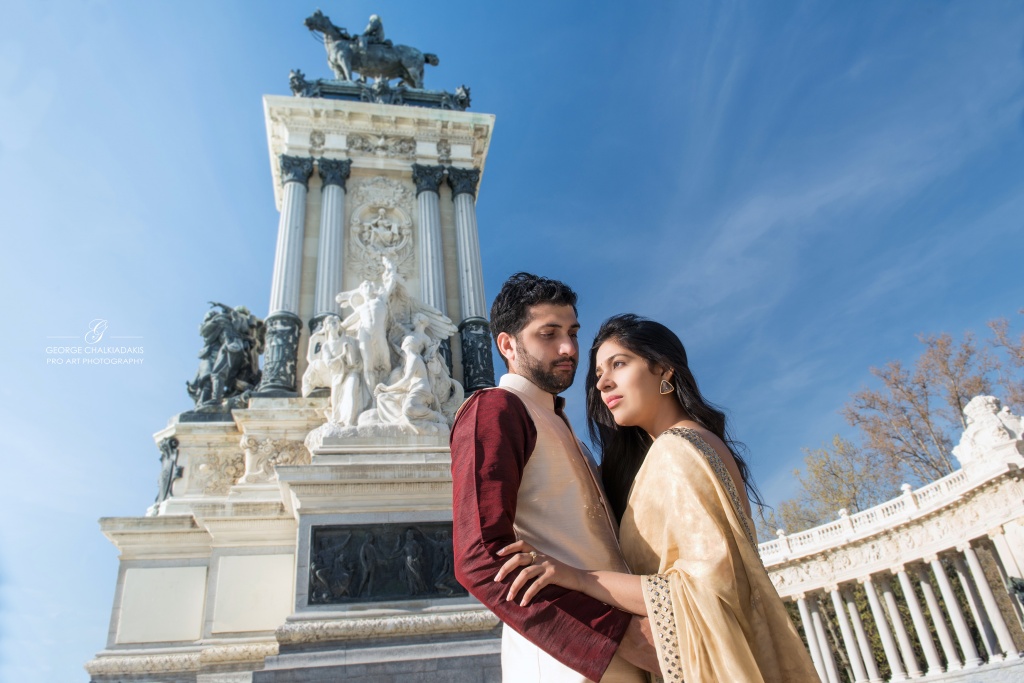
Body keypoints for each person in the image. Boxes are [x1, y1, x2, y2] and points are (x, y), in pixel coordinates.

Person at [496, 314, 820, 682]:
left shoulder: (676, 450)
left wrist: (579, 578)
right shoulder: (694, 443)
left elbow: (703, 590)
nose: (602, 382)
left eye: (619, 364)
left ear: (664, 370)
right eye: (598, 372)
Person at [451, 274, 656, 683]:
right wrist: (616, 636)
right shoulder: (495, 409)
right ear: (507, 345)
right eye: (549, 334)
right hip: (567, 665)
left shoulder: (566, 430)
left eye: (572, 333)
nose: (569, 348)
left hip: (630, 656)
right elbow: (479, 557)